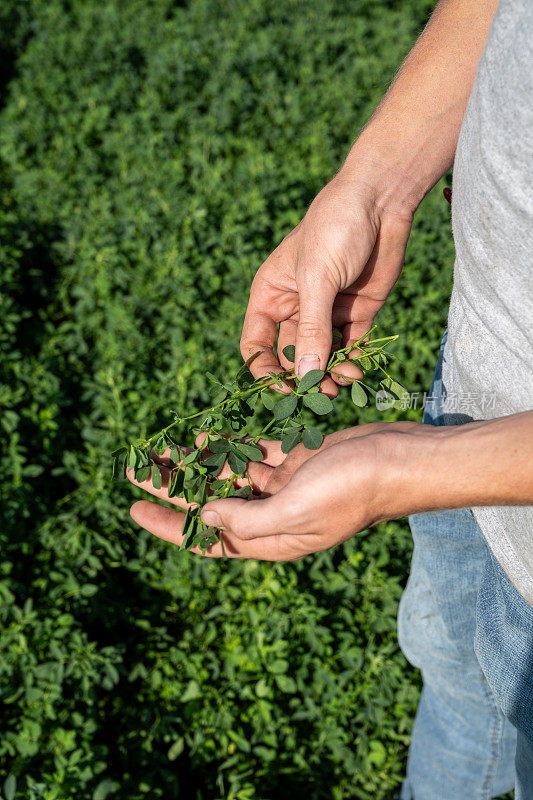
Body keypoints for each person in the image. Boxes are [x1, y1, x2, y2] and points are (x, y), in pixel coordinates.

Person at [129, 0, 533, 796]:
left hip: (454, 467)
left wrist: (400, 473)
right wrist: (375, 186)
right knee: (452, 675)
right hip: (467, 405)